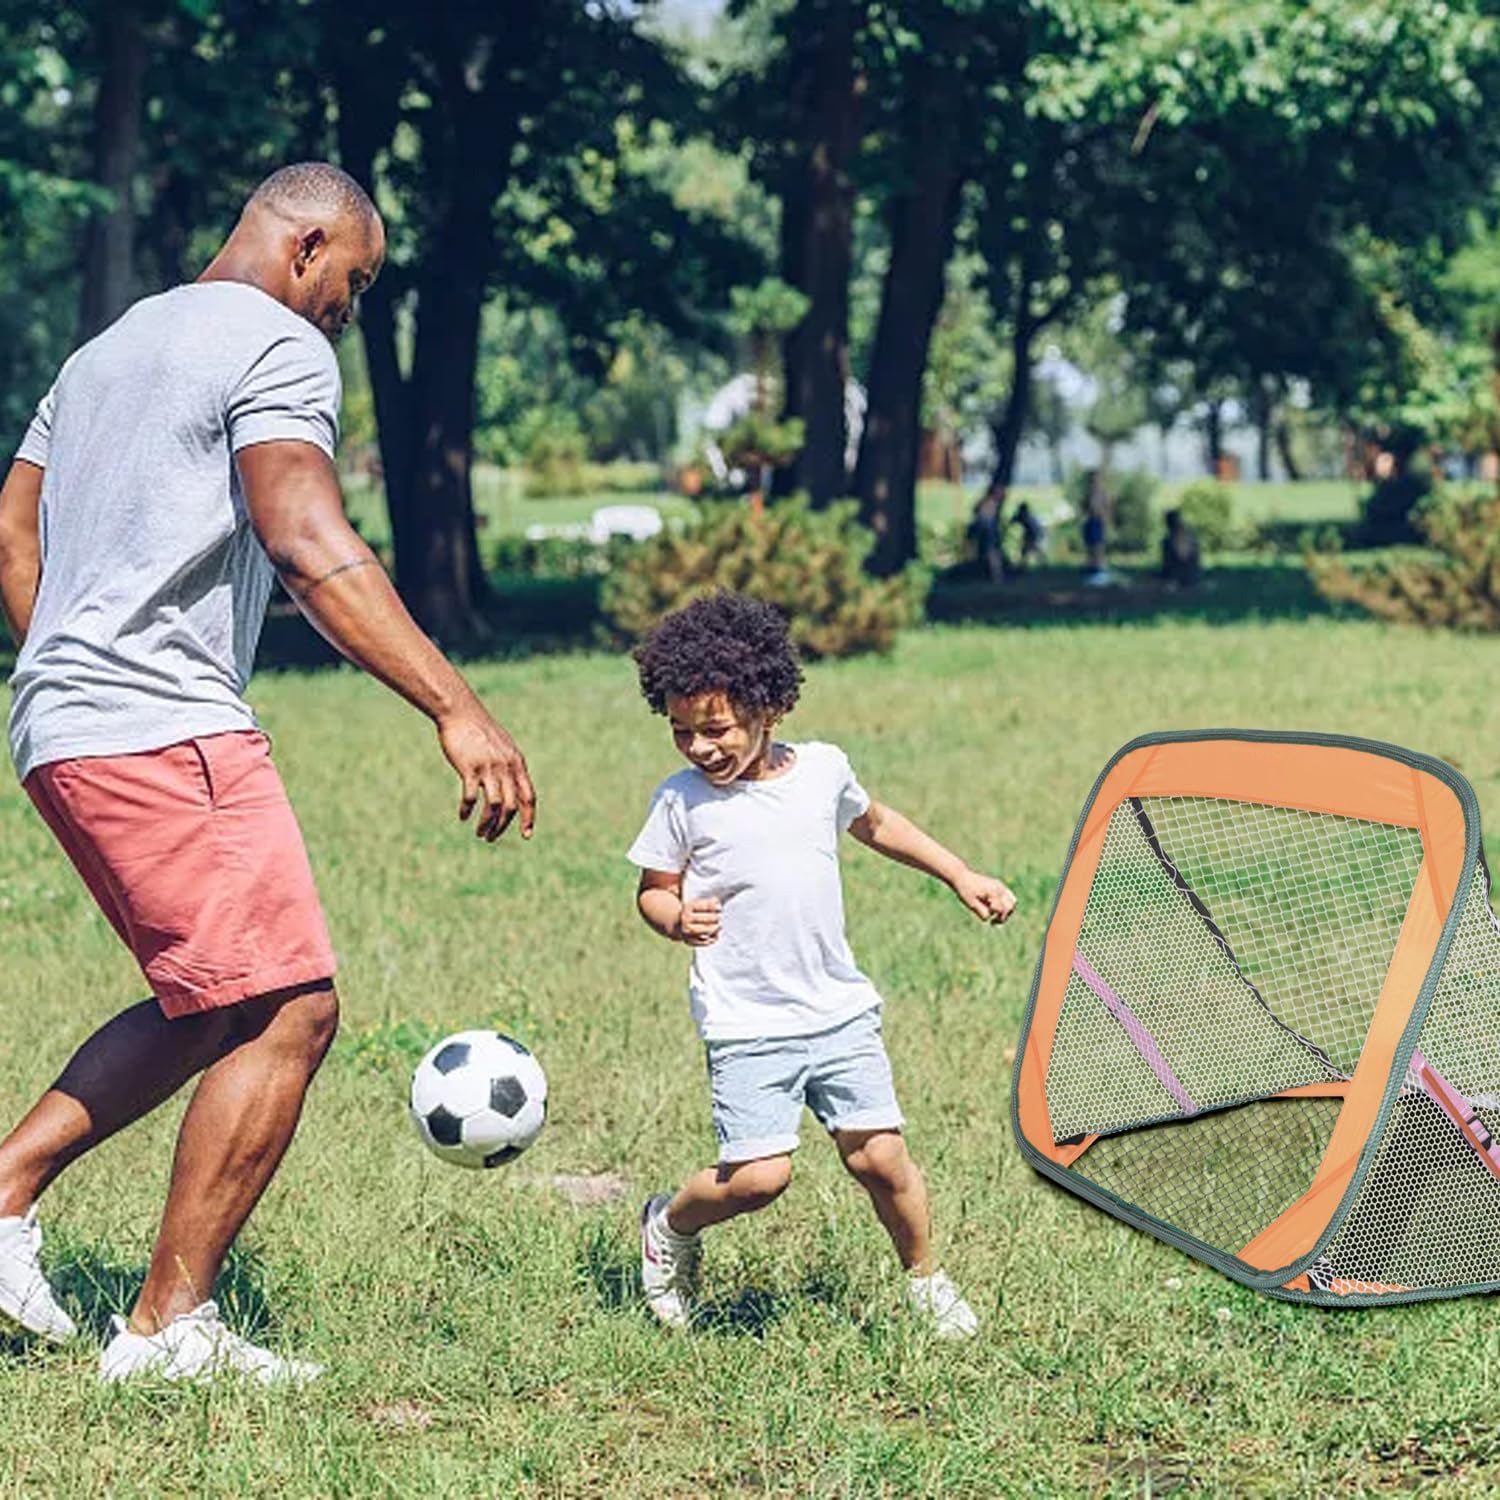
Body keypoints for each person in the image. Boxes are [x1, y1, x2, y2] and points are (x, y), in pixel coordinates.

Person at [0, 163, 536, 1384]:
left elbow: (12, 531)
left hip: (61, 722)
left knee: (223, 1000)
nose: (352, 306)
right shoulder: (277, 347)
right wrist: (457, 708)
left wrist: (65, 665)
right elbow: (305, 535)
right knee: (292, 1002)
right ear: (305, 248)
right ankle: (165, 1326)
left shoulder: (101, 356)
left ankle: (33, 1218)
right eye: (355, 280)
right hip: (162, 722)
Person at [626, 593, 1017, 1339]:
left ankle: (925, 1282)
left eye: (714, 728)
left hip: (837, 1009)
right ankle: (669, 1223)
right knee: (760, 1179)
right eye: (680, 731)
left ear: (768, 707)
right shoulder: (681, 803)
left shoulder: (823, 771)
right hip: (746, 1021)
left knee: (881, 1159)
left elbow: (878, 824)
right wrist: (676, 920)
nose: (699, 747)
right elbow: (653, 893)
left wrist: (959, 874)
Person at [967, 485, 1004, 581]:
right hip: (986, 531)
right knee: (992, 553)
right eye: (999, 492)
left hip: (985, 530)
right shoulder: (990, 503)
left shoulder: (988, 502)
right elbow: (984, 519)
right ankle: (996, 576)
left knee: (990, 553)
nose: (1002, 495)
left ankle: (993, 575)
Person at [1161, 508, 1201, 587]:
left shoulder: (1176, 537)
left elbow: (1183, 556)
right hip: (1185, 573)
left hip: (1185, 574)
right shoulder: (1169, 538)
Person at [1011, 500, 1046, 568]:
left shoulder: (1025, 516)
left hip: (1031, 535)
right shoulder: (1027, 516)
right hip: (1031, 534)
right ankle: (1022, 565)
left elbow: (1014, 520)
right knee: (1027, 550)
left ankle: (1021, 565)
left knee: (1028, 549)